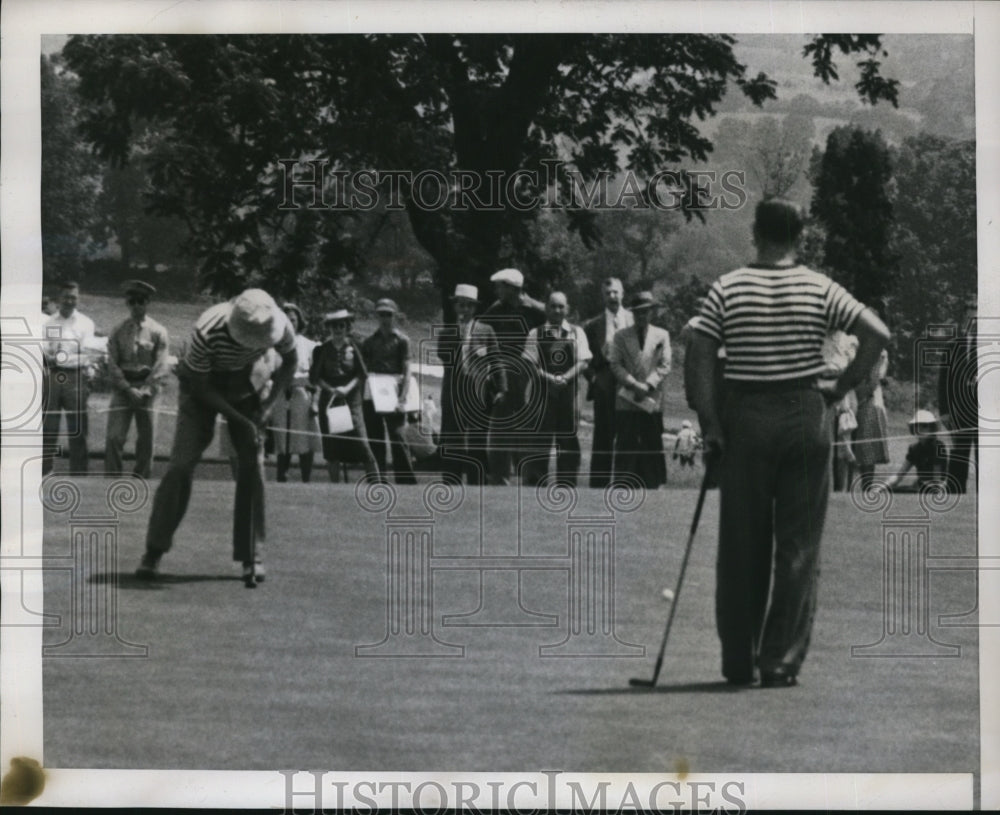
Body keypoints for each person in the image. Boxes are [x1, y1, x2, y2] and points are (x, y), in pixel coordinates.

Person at [686, 198, 890, 688]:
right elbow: (877, 332)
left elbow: (699, 350)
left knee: (741, 544)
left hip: (747, 416)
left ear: (756, 233)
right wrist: (841, 387)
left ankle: (739, 658)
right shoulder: (819, 287)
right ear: (801, 236)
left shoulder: (728, 288)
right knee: (798, 545)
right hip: (805, 418)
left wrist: (711, 423)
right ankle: (779, 661)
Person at [136, 289, 298, 585]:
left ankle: (252, 555)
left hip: (249, 383)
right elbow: (200, 387)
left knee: (252, 466)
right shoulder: (207, 330)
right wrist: (238, 419)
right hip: (202, 388)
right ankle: (154, 550)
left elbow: (290, 361)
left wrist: (267, 406)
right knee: (179, 467)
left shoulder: (280, 323)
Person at [479, 268, 545, 484]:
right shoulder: (495, 310)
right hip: (504, 375)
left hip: (530, 374)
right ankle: (499, 478)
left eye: (500, 286)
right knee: (500, 427)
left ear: (511, 288)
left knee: (528, 428)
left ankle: (531, 478)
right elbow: (481, 334)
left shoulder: (537, 311)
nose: (497, 290)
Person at [436, 284, 507, 486]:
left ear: (474, 308)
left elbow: (496, 360)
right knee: (452, 440)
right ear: (455, 307)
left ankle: (477, 483)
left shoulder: (486, 331)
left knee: (477, 440)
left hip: (478, 392)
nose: (464, 309)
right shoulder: (447, 333)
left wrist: (502, 388)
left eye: (468, 306)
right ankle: (451, 483)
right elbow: (445, 356)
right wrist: (461, 335)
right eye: (461, 305)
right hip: (453, 393)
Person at [521, 291, 592, 487]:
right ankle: (535, 485)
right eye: (553, 306)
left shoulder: (577, 333)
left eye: (561, 306)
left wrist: (565, 377)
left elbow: (583, 362)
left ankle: (566, 485)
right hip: (543, 394)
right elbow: (530, 364)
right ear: (546, 308)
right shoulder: (535, 333)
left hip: (569, 394)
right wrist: (550, 378)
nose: (557, 310)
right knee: (539, 441)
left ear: (567, 309)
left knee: (568, 440)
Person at [104, 280, 170, 479]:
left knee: (146, 440)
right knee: (114, 437)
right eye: (132, 301)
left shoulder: (159, 331)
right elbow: (112, 363)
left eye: (140, 301)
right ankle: (112, 480)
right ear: (127, 303)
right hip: (123, 389)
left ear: (147, 302)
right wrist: (126, 388)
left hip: (148, 391)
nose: (136, 305)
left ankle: (141, 479)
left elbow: (161, 364)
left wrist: (145, 389)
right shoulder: (118, 330)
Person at [608, 291, 671, 489]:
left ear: (652, 312)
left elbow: (665, 364)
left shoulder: (662, 335)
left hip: (650, 399)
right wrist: (634, 384)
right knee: (626, 441)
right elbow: (615, 364)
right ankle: (623, 484)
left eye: (646, 312)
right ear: (633, 313)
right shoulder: (620, 336)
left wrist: (648, 385)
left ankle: (654, 483)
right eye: (638, 312)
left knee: (652, 441)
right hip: (627, 398)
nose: (642, 316)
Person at [310, 308, 379, 483]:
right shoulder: (322, 349)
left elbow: (362, 374)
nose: (338, 329)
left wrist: (347, 388)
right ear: (329, 328)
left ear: (347, 326)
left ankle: (376, 484)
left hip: (352, 398)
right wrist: (330, 389)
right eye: (334, 326)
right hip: (330, 399)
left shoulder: (356, 347)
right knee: (332, 445)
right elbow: (315, 377)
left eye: (341, 325)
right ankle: (335, 486)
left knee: (362, 443)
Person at [583, 277, 634, 488]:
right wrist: (594, 379)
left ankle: (627, 484)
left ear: (622, 293)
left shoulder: (634, 319)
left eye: (615, 292)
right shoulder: (592, 325)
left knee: (629, 435)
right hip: (604, 384)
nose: (612, 297)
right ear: (602, 297)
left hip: (629, 384)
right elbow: (583, 358)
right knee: (603, 436)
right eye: (607, 293)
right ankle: (598, 487)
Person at [360, 298, 417, 484]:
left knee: (398, 436)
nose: (385, 318)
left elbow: (407, 370)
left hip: (394, 390)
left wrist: (402, 399)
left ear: (395, 315)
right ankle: (378, 477)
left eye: (389, 314)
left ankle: (405, 479)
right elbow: (363, 371)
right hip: (374, 392)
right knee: (375, 437)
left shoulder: (402, 340)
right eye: (381, 314)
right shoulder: (369, 342)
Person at [42, 281, 96, 475]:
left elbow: (87, 355)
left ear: (78, 299)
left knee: (79, 429)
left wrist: (62, 359)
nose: (69, 301)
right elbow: (45, 350)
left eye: (73, 297)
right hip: (53, 377)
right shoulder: (49, 323)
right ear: (59, 298)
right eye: (66, 296)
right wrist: (51, 357)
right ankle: (45, 473)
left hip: (75, 378)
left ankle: (79, 475)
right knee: (49, 428)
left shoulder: (85, 323)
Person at [271, 303, 320, 482]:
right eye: (286, 320)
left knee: (303, 439)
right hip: (281, 396)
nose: (290, 323)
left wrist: (315, 401)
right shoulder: (274, 345)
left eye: (293, 319)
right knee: (283, 438)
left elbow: (316, 377)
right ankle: (281, 477)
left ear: (299, 321)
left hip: (301, 395)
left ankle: (306, 478)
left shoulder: (309, 345)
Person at [938, 295, 978, 494]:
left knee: (985, 457)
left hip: (983, 413)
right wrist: (944, 411)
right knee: (959, 455)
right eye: (970, 319)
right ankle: (956, 494)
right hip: (958, 412)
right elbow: (943, 382)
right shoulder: (952, 347)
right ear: (963, 320)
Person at [884, 410, 948, 493]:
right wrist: (885, 485)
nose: (920, 429)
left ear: (932, 428)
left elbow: (937, 480)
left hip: (935, 487)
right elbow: (900, 474)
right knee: (890, 490)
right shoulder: (914, 448)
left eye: (924, 426)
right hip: (921, 486)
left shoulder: (938, 447)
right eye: (917, 425)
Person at [853, 346, 890, 490]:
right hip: (853, 397)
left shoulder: (879, 352)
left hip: (869, 400)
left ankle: (866, 486)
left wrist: (862, 397)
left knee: (867, 445)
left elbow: (876, 378)